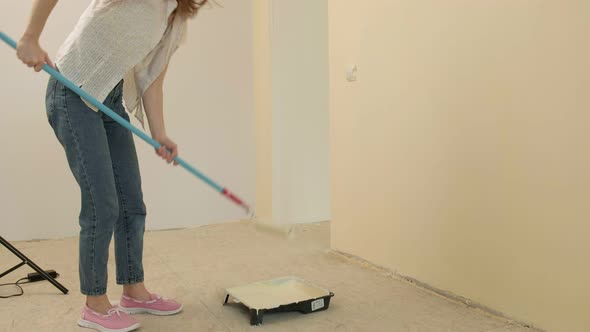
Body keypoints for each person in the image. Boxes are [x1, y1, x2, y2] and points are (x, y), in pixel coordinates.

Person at [16, 1, 208, 331]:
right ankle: (95, 304)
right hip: (73, 90)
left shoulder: (175, 19)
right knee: (102, 204)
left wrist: (160, 133)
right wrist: (31, 36)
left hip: (109, 97)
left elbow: (151, 79)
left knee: (131, 202)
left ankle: (133, 290)